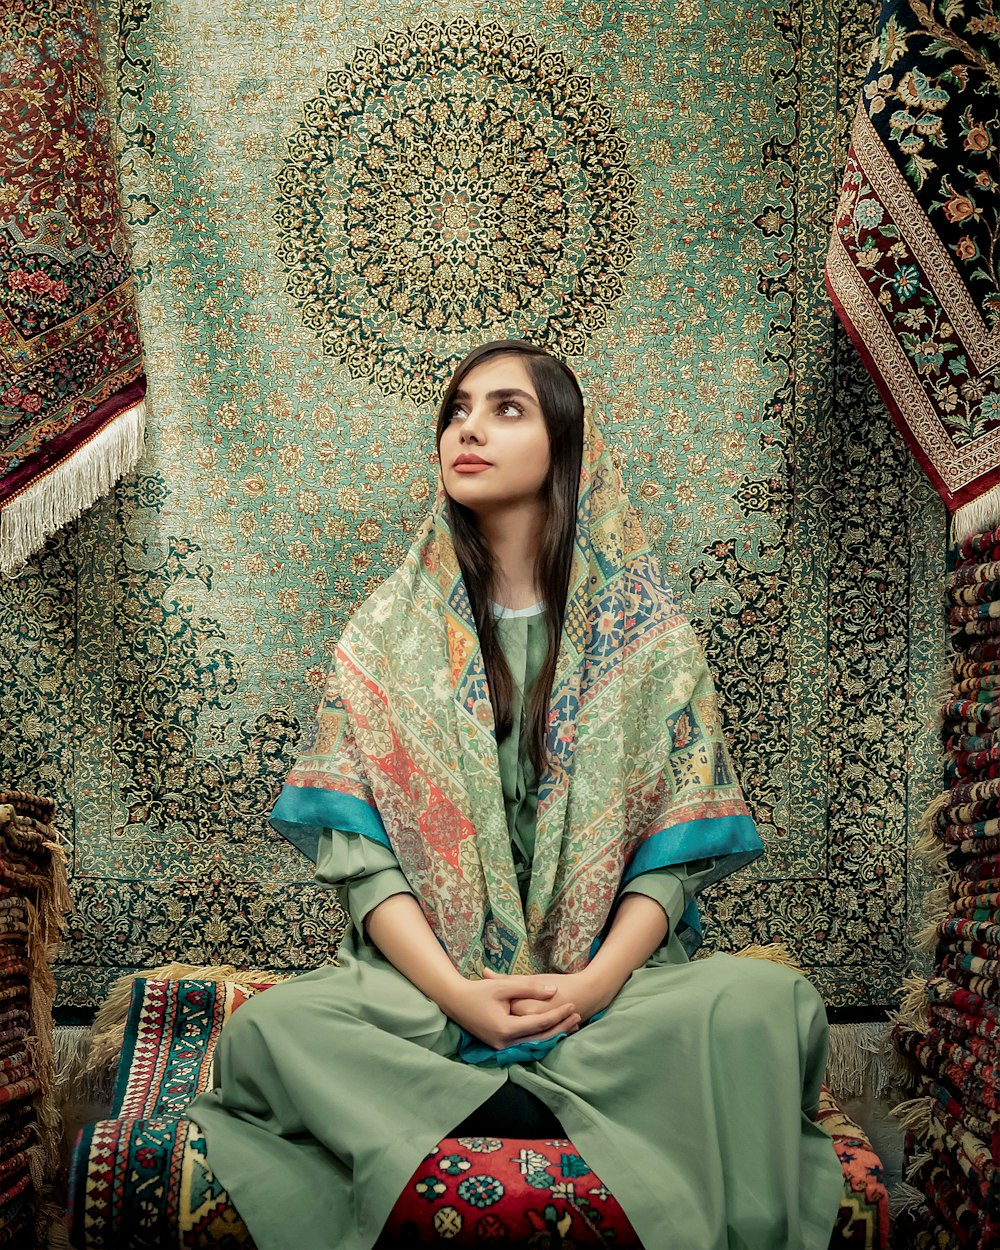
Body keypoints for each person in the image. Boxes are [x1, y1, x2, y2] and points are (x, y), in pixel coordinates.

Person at [187, 340, 844, 1249]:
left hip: (610, 998)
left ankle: (470, 1102)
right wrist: (459, 997)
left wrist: (590, 986)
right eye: (457, 411)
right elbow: (364, 863)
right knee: (268, 1034)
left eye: (506, 409)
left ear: (567, 447)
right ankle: (561, 1097)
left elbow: (673, 859)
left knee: (770, 1008)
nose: (468, 429)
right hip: (429, 1001)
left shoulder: (648, 638)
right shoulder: (387, 633)